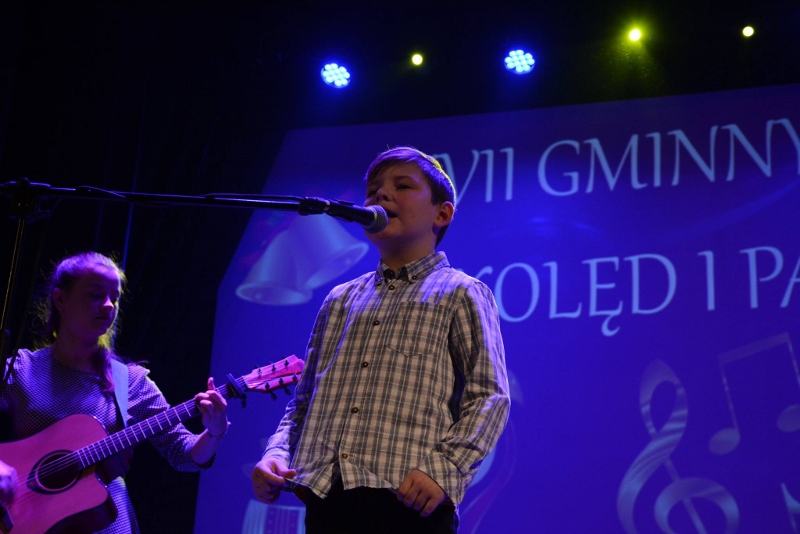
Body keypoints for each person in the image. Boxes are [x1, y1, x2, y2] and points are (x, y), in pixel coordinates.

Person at [252, 146, 511, 533]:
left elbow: (489, 395)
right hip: (327, 500)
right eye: (373, 191)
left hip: (408, 501)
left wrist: (445, 468)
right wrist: (277, 453)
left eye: (402, 186)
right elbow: (303, 401)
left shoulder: (461, 292)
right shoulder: (340, 299)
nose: (381, 195)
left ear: (442, 213)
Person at [0, 251, 229, 533]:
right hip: (28, 522)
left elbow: (184, 454)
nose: (109, 305)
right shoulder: (20, 369)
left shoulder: (131, 382)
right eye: (95, 295)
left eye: (115, 298)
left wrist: (215, 432)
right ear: (60, 299)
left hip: (107, 525)